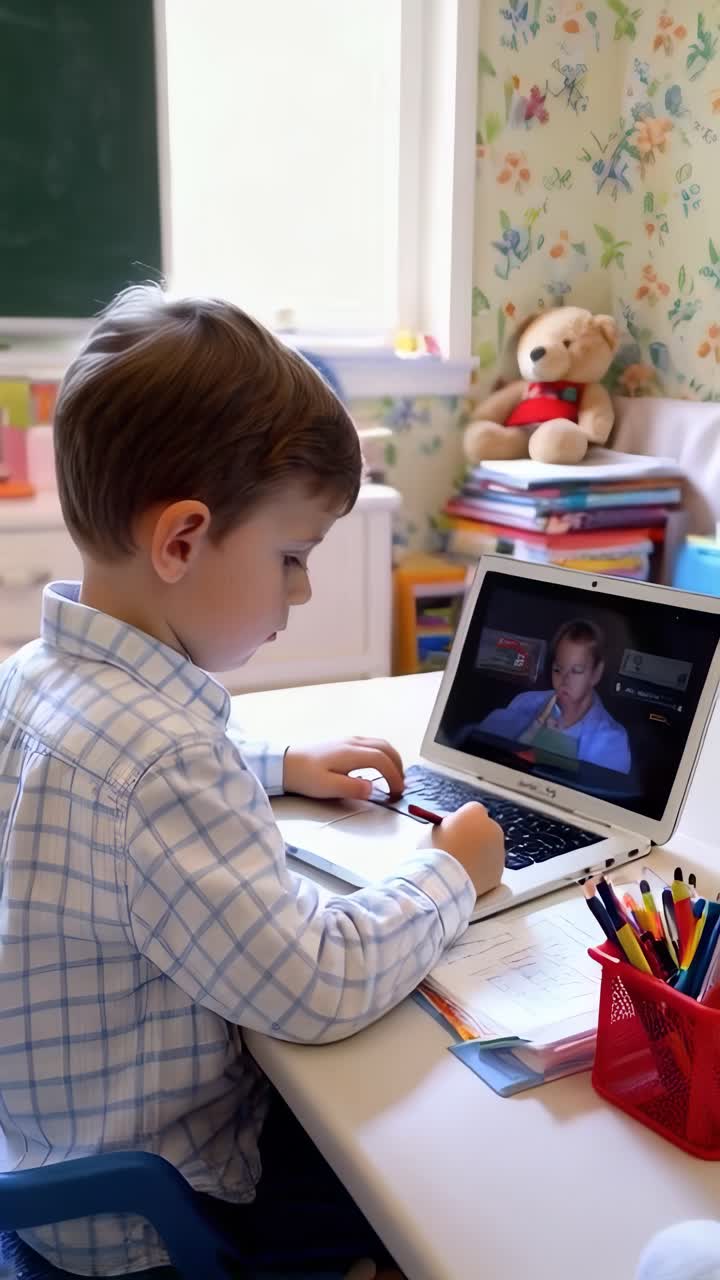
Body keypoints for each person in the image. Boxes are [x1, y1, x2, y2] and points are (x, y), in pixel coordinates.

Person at [0, 286, 506, 1279]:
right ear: (183, 540)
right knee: (404, 1165)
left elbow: (114, 790)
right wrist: (453, 872)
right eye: (292, 557)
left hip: (46, 1146)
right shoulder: (158, 761)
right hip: (142, 1220)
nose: (302, 590)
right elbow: (312, 986)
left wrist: (280, 766)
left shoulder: (31, 674)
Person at [470, 619, 632, 774]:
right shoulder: (524, 702)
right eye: (557, 669)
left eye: (576, 671)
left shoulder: (613, 740)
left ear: (596, 673)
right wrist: (527, 734)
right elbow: (480, 751)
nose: (564, 680)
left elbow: (597, 800)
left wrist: (557, 749)